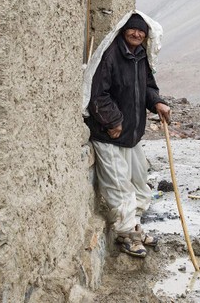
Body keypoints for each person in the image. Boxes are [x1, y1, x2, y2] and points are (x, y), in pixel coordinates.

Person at [85, 13, 171, 258]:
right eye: (133, 30)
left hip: (130, 135)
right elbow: (98, 95)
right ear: (125, 31)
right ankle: (126, 235)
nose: (137, 34)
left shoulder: (140, 57)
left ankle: (135, 226)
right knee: (119, 186)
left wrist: (158, 103)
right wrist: (113, 122)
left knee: (140, 185)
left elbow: (148, 87)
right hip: (109, 135)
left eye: (141, 32)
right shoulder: (111, 56)